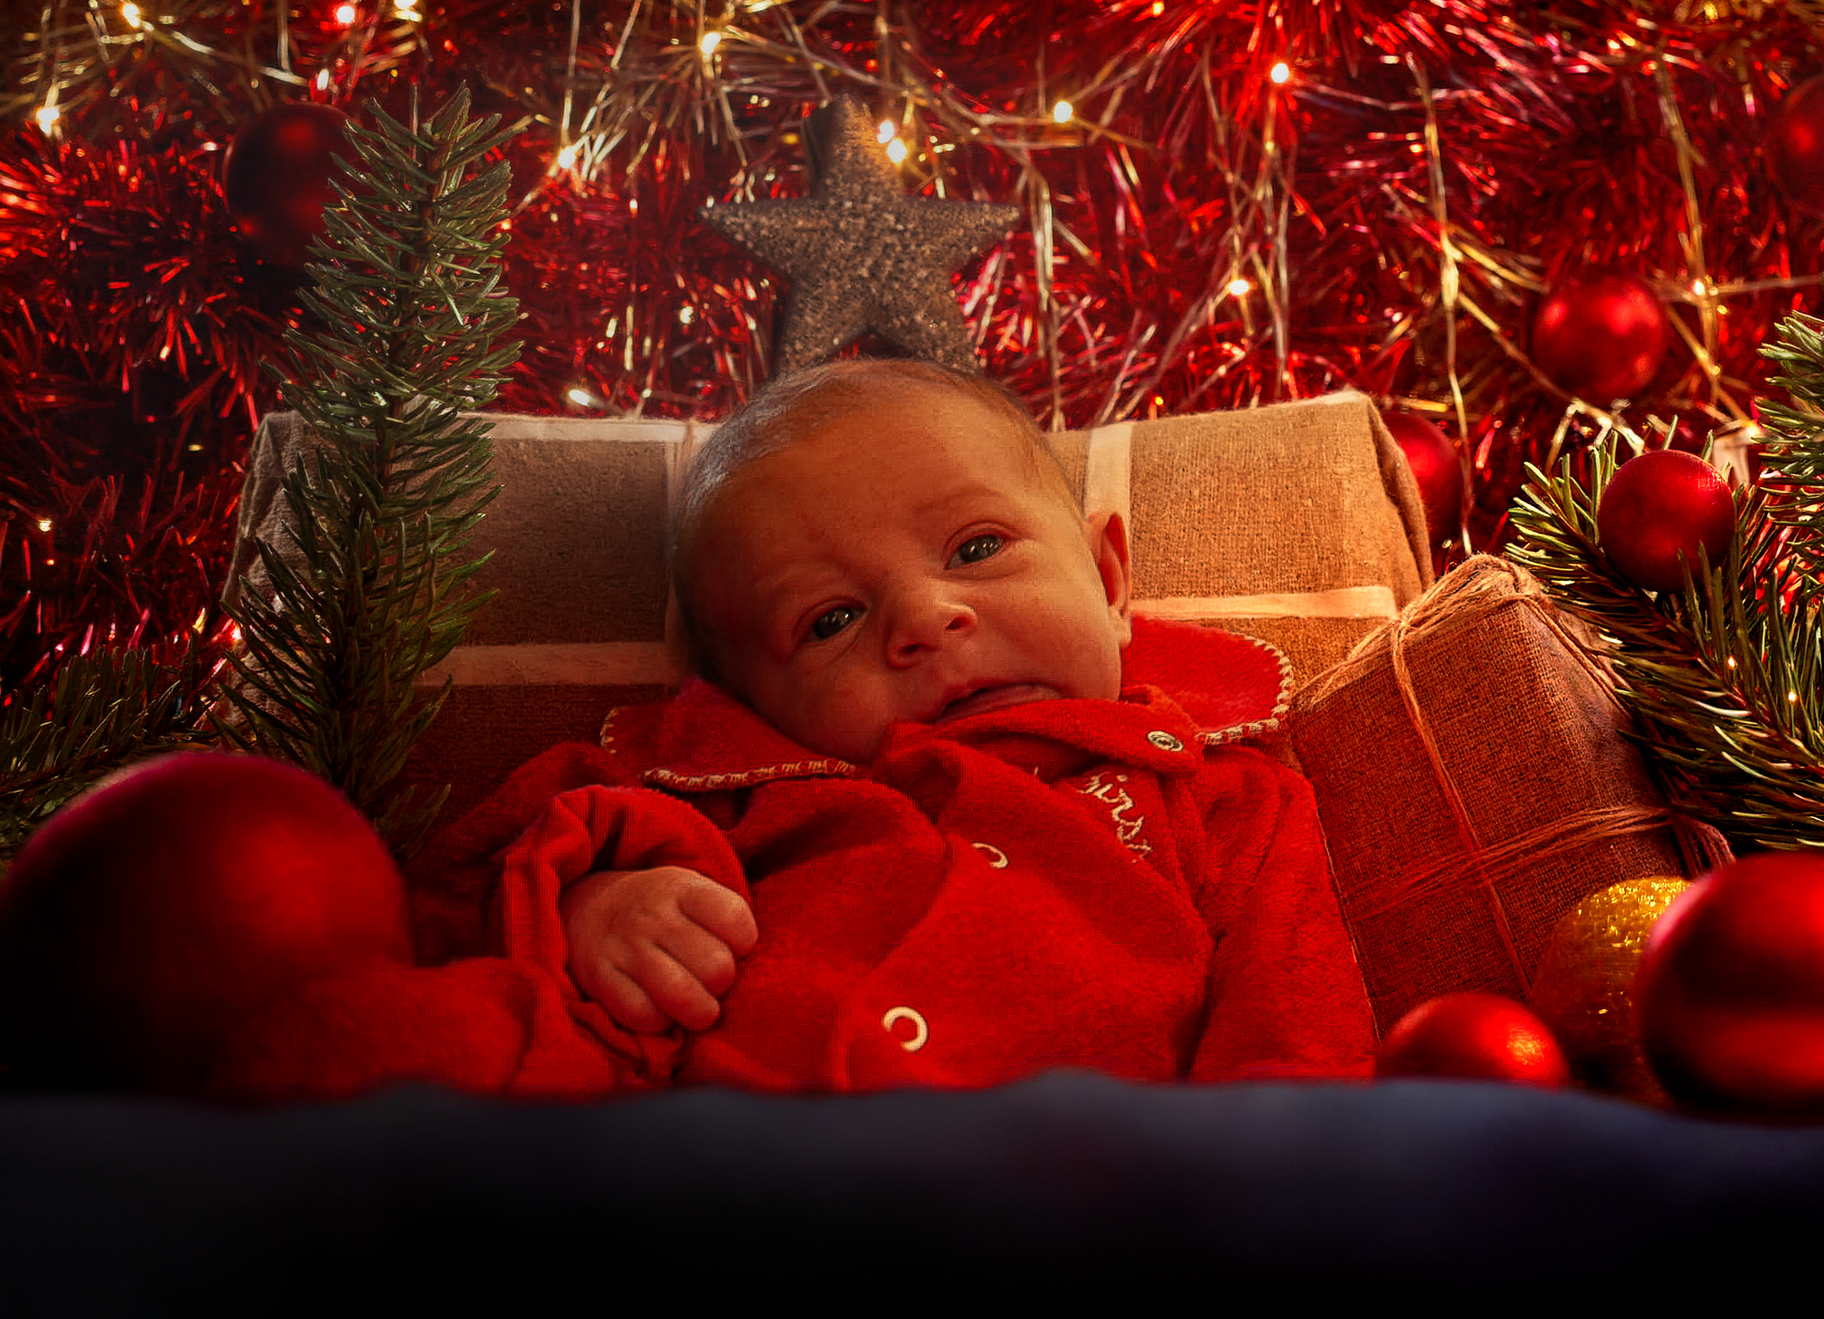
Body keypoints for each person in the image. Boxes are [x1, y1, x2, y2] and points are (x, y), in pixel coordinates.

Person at [450, 356, 1378, 1091]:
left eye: (977, 548)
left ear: (1107, 579)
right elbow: (456, 888)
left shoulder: (1220, 797)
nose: (925, 618)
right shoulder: (704, 798)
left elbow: (1295, 1034)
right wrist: (584, 910)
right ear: (745, 697)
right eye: (830, 621)